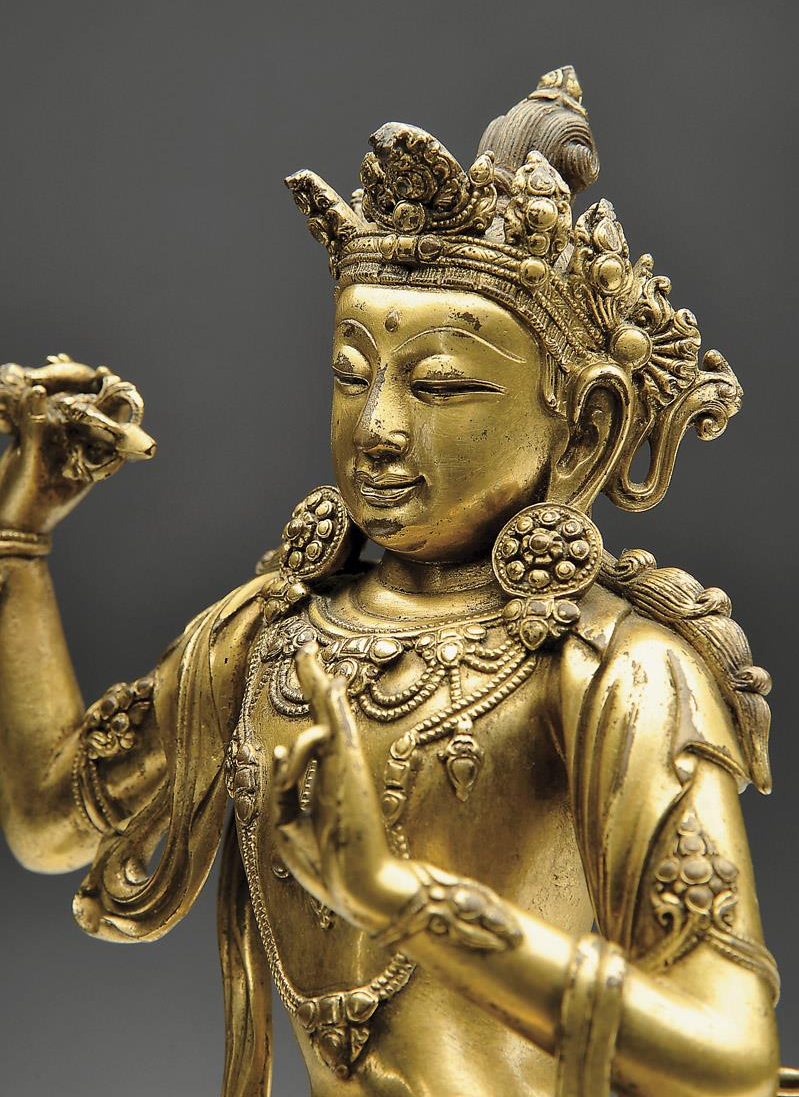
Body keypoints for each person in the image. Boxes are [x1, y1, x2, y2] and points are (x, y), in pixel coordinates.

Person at [0, 68, 787, 1095]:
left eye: (440, 385)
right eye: (350, 373)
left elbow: (730, 1057)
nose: (376, 428)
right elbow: (51, 818)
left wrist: (405, 903)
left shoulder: (620, 674)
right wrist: (19, 538)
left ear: (586, 426)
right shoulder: (270, 637)